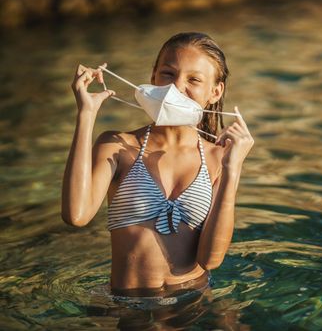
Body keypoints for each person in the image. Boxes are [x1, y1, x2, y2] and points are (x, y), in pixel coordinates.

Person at [61, 32, 254, 298]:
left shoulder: (218, 158)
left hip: (194, 302)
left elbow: (211, 260)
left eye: (193, 79)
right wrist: (86, 114)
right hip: (128, 308)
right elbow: (76, 215)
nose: (176, 87)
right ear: (153, 76)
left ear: (215, 91)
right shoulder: (118, 146)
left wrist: (233, 169)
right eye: (167, 74)